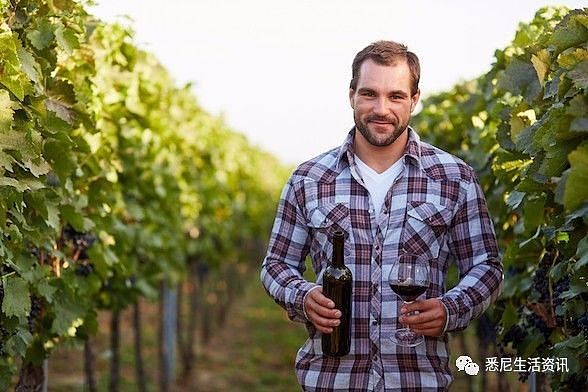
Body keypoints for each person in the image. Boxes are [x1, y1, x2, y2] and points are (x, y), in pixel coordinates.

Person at [260, 40, 503, 391]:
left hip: (418, 382)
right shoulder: (309, 179)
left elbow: (487, 267)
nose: (381, 108)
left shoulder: (454, 178)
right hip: (331, 381)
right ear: (351, 96)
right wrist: (302, 296)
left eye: (396, 96)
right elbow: (276, 265)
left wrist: (452, 307)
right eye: (369, 94)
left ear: (414, 100)